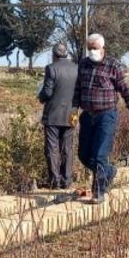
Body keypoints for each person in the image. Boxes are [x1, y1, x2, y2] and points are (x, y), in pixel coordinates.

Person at [73, 33, 129, 204]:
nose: (91, 51)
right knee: (83, 154)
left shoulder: (113, 66)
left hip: (106, 115)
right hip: (88, 116)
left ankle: (99, 192)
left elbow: (126, 91)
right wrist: (74, 109)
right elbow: (77, 89)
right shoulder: (83, 64)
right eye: (89, 48)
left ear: (102, 48)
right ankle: (109, 172)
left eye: (94, 48)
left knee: (99, 156)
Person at [37, 42, 78, 189]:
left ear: (54, 54)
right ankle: (67, 181)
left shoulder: (51, 68)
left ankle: (55, 181)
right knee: (67, 147)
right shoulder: (76, 69)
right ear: (66, 54)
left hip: (53, 115)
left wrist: (40, 96)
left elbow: (47, 92)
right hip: (71, 114)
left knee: (52, 148)